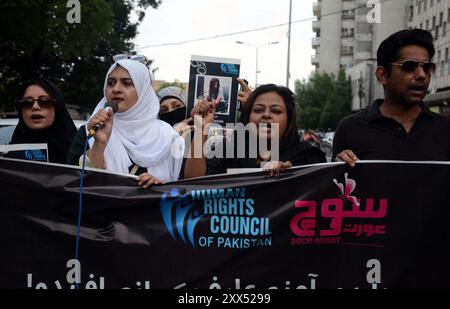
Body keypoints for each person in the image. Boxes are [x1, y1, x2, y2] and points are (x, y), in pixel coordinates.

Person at [333, 29, 450, 166]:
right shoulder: (350, 129)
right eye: (409, 66)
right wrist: (339, 167)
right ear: (382, 75)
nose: (422, 75)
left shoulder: (445, 129)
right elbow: (334, 184)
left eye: (427, 67)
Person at [67, 59, 184, 187]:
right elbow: (75, 185)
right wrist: (99, 144)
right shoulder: (90, 130)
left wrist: (161, 187)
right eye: (110, 83)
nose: (116, 89)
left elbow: (187, 185)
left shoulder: (168, 136)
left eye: (127, 83)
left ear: (143, 90)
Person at [183, 84, 326, 178]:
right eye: (258, 110)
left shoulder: (308, 158)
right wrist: (201, 128)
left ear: (288, 119)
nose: (266, 115)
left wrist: (291, 174)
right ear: (248, 118)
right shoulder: (228, 151)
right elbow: (194, 182)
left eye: (276, 111)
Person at [9, 79, 77, 164]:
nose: (35, 107)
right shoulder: (9, 154)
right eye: (27, 102)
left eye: (44, 101)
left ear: (57, 108)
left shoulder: (79, 151)